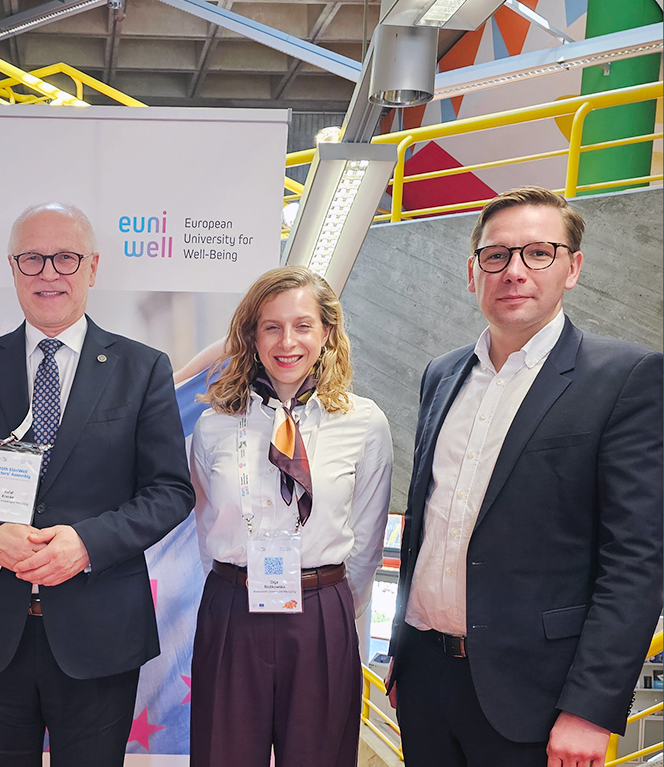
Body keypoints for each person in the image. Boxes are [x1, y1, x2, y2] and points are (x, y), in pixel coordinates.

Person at [386, 186, 663, 767]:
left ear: (573, 268)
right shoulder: (442, 374)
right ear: (472, 272)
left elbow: (636, 559)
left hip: (537, 698)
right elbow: (429, 524)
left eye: (539, 253)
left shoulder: (625, 378)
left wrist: (590, 707)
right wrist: (401, 652)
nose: (514, 271)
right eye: (496, 256)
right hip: (425, 683)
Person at [0, 202, 195, 766]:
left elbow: (170, 490)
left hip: (99, 635)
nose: (48, 273)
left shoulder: (142, 369)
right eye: (32, 259)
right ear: (13, 269)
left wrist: (86, 544)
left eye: (64, 258)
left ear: (92, 267)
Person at [188, 266, 393, 767]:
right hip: (232, 608)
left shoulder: (364, 422)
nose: (287, 342)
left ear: (327, 333)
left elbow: (367, 539)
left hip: (322, 612)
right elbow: (204, 522)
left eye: (303, 325)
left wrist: (338, 611)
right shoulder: (213, 425)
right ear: (251, 337)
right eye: (271, 326)